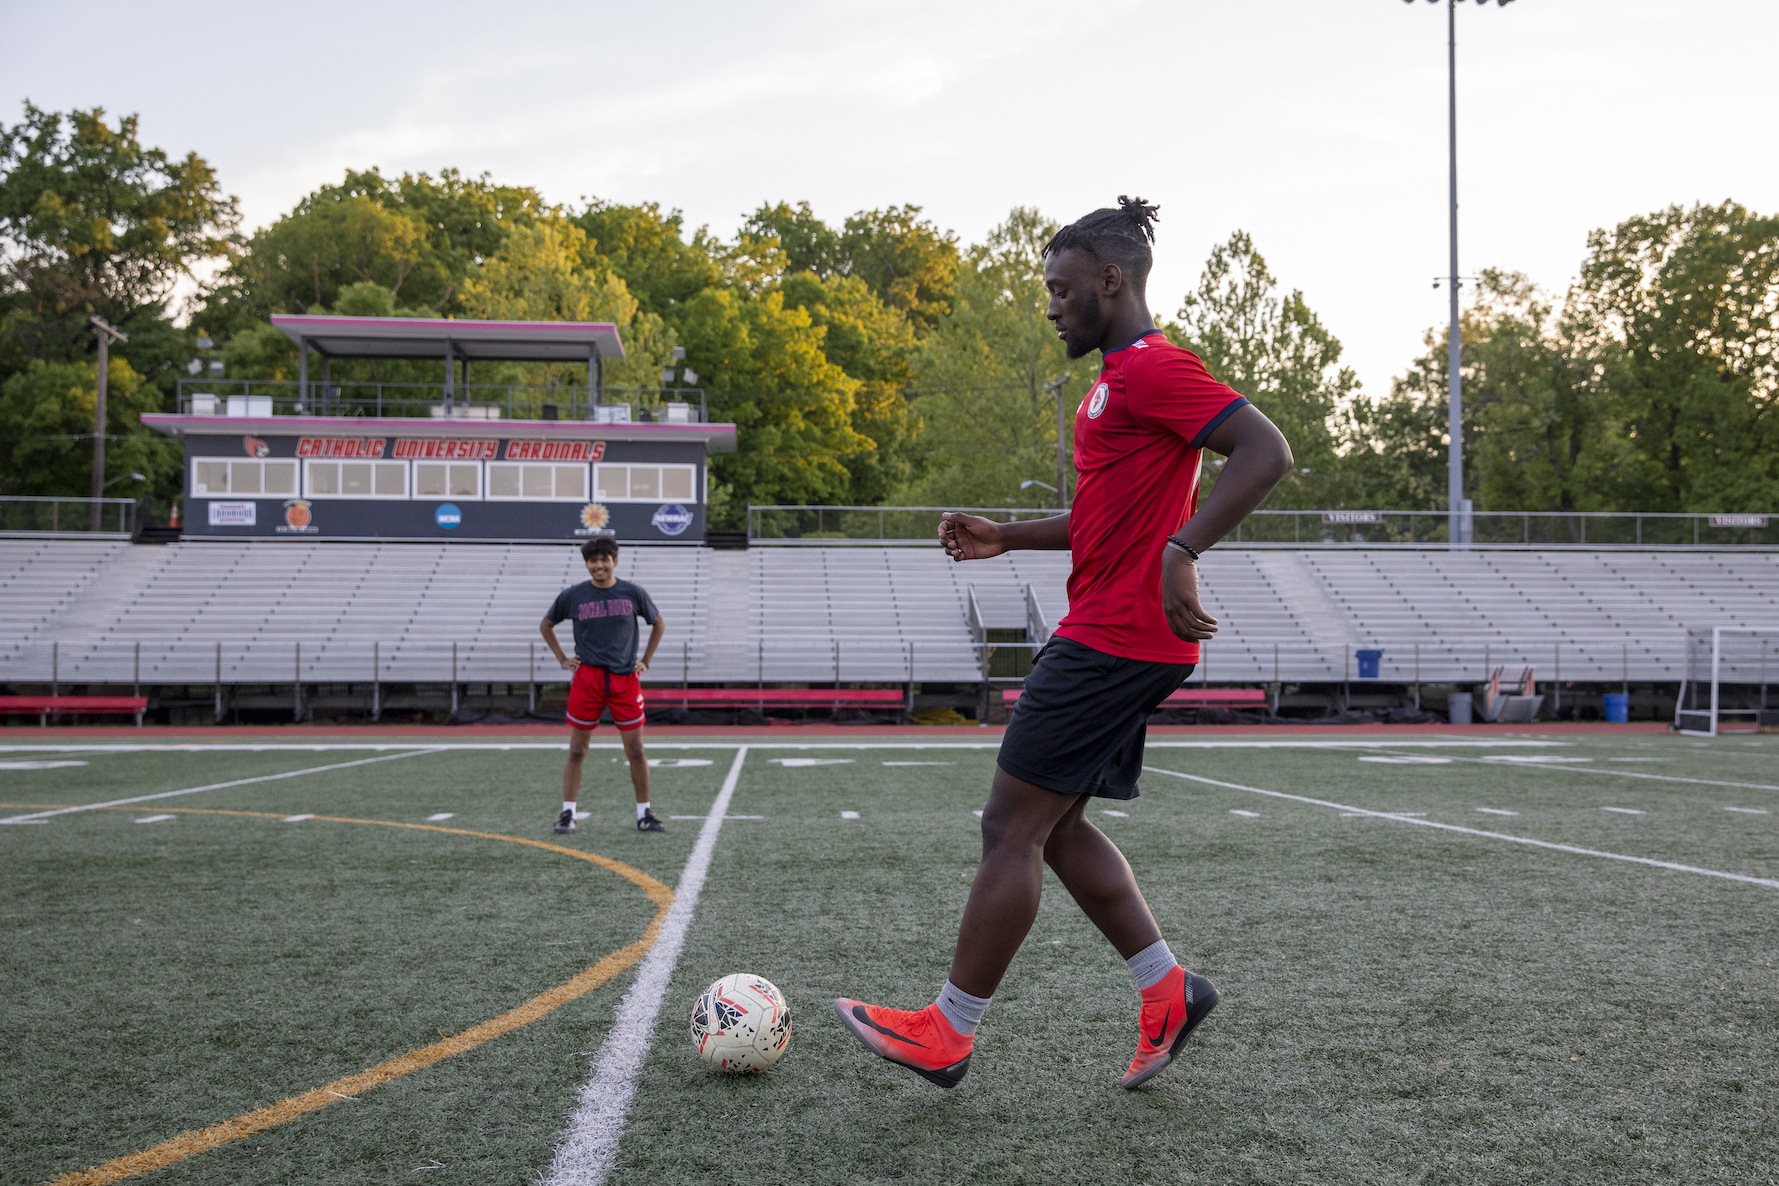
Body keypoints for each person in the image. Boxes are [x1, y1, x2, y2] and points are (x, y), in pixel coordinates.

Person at [835, 197, 1293, 1090]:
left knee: (1009, 825)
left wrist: (1182, 547)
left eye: (1060, 288)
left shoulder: (1152, 371)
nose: (1048, 305)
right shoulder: (1112, 383)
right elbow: (1102, 516)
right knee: (1057, 824)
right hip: (1118, 630)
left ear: (1110, 281)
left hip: (1114, 636)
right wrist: (1008, 535)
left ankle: (948, 1030)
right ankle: (1167, 992)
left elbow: (1265, 450)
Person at [540, 537, 667, 835]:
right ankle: (567, 813)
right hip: (589, 679)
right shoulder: (573, 596)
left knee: (635, 749)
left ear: (615, 561)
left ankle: (644, 813)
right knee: (577, 750)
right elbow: (546, 625)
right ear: (586, 564)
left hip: (624, 678)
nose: (599, 565)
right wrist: (562, 658)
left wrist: (646, 660)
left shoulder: (632, 592)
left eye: (604, 560)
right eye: (593, 561)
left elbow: (658, 622)